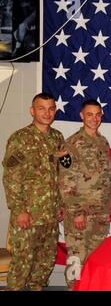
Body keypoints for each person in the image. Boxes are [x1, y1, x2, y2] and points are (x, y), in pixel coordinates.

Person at [2, 92, 65, 291]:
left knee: (44, 264)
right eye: (41, 108)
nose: (47, 113)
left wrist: (61, 204)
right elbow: (11, 178)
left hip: (50, 215)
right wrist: (19, 209)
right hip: (28, 215)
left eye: (51, 108)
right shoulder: (20, 138)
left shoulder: (57, 137)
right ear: (32, 111)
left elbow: (59, 174)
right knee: (22, 265)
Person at [58, 99, 111, 289]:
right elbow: (66, 182)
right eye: (90, 114)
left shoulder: (102, 141)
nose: (94, 118)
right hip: (80, 214)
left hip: (100, 212)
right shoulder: (71, 145)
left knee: (96, 258)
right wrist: (76, 212)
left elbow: (107, 174)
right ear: (82, 116)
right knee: (76, 257)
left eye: (98, 114)